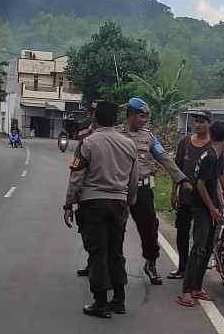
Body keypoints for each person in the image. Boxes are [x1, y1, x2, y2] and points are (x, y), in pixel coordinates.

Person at [62, 100, 139, 319]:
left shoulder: (88, 143)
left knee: (98, 252)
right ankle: (119, 300)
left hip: (93, 203)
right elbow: (133, 180)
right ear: (116, 120)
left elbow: (76, 177)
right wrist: (128, 204)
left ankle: (100, 303)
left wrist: (69, 204)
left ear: (95, 118)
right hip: (118, 204)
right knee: (116, 251)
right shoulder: (129, 144)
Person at [119, 97, 192, 285]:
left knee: (150, 229)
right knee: (114, 229)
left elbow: (165, 158)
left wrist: (181, 178)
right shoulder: (116, 135)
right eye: (142, 117)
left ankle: (150, 263)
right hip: (118, 190)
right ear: (132, 116)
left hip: (142, 190)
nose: (145, 121)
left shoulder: (148, 137)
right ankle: (113, 266)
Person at [177, 121, 224, 307]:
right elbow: (200, 184)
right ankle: (186, 291)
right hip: (201, 208)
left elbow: (215, 182)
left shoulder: (215, 155)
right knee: (199, 247)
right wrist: (212, 208)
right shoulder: (209, 157)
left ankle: (197, 287)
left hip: (212, 207)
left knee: (208, 247)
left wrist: (222, 203)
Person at [168, 110, 212, 280]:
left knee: (200, 236)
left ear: (209, 124)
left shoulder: (213, 146)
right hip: (185, 198)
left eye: (202, 121)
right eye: (196, 121)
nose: (198, 125)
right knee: (182, 233)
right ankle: (182, 267)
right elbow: (176, 169)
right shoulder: (185, 143)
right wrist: (174, 192)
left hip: (204, 200)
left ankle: (196, 271)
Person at [69, 100, 100, 277]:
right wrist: (71, 199)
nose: (95, 115)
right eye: (93, 112)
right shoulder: (83, 135)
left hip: (109, 192)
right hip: (86, 193)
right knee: (87, 231)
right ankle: (92, 261)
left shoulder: (119, 137)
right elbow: (76, 168)